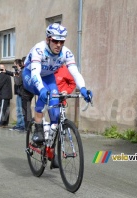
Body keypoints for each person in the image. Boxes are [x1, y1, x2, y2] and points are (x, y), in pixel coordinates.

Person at [22, 23, 93, 168]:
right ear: (48, 39)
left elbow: (75, 72)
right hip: (30, 75)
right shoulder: (39, 49)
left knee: (55, 114)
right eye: (55, 41)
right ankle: (38, 130)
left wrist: (83, 89)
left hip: (48, 77)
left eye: (62, 41)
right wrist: (41, 89)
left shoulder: (66, 53)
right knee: (43, 94)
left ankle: (50, 151)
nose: (59, 44)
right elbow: (35, 73)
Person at [8, 59, 25, 131]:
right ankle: (19, 124)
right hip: (18, 93)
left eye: (15, 64)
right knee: (18, 110)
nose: (14, 66)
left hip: (21, 93)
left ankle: (22, 125)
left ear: (18, 64)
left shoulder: (22, 71)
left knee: (21, 110)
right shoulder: (18, 71)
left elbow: (18, 82)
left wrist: (16, 73)